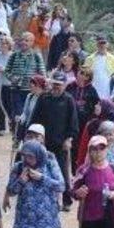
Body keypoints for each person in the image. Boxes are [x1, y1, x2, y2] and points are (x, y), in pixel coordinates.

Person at [29, 71, 79, 210]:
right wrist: (33, 137)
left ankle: (66, 200)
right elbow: (35, 119)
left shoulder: (69, 100)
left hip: (61, 144)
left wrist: (69, 139)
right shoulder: (44, 98)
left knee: (62, 172)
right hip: (43, 143)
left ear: (64, 85)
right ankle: (44, 198)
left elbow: (73, 123)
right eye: (54, 84)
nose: (56, 87)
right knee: (42, 170)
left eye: (59, 85)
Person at [4, 31, 46, 129]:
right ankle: (16, 135)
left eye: (27, 40)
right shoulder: (14, 55)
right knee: (17, 114)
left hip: (31, 91)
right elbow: (7, 71)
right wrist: (12, 78)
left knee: (30, 113)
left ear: (32, 42)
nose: (24, 42)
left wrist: (40, 87)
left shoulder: (36, 56)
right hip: (16, 90)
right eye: (22, 40)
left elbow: (42, 73)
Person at [67, 65, 100, 138]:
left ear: (89, 78)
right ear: (77, 73)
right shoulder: (70, 86)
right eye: (81, 73)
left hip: (84, 121)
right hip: (70, 118)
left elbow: (97, 104)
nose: (83, 76)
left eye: (86, 75)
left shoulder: (91, 90)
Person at [84, 36, 114, 100]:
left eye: (104, 43)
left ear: (107, 44)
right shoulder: (89, 59)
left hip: (108, 89)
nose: (102, 45)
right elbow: (84, 74)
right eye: (100, 43)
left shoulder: (113, 59)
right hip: (92, 88)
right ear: (96, 44)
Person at [15, 74, 48, 142]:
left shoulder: (46, 98)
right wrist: (20, 118)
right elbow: (25, 113)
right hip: (29, 128)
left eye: (32, 85)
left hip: (39, 130)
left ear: (38, 86)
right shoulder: (29, 96)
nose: (30, 87)